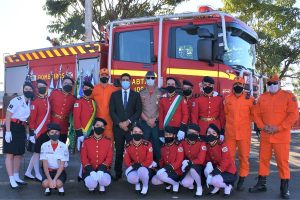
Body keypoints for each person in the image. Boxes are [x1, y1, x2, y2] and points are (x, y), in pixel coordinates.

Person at [249, 74, 298, 199]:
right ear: (267, 85)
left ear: (279, 83)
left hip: (281, 136)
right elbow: (256, 114)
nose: (272, 85)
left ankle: (284, 188)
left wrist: (279, 127)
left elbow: (293, 115)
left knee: (282, 162)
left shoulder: (288, 96)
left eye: (274, 83)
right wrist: (262, 126)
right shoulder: (262, 98)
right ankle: (261, 184)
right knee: (263, 160)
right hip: (266, 135)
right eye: (269, 84)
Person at [223, 76, 255, 191]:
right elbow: (226, 114)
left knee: (244, 158)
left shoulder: (250, 99)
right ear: (233, 86)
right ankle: (230, 179)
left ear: (243, 86)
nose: (238, 86)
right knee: (229, 157)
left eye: (240, 85)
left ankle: (242, 178)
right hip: (230, 134)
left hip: (244, 134)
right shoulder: (227, 99)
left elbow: (254, 115)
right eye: (236, 84)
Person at [109, 73, 142, 181]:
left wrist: (128, 122)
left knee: (132, 151)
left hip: (130, 128)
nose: (125, 81)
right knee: (119, 151)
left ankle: (133, 173)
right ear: (121, 81)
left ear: (130, 81)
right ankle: (118, 174)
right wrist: (120, 124)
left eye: (127, 79)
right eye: (123, 80)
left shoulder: (136, 95)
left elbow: (138, 111)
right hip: (118, 128)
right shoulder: (114, 95)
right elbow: (112, 111)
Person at [4, 82, 34, 188]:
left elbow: (26, 120)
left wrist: (27, 133)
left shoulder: (30, 102)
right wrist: (8, 132)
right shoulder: (16, 100)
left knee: (19, 154)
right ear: (23, 90)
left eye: (30, 89)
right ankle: (11, 178)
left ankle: (16, 176)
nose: (28, 91)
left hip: (21, 128)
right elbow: (8, 115)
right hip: (12, 127)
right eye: (26, 89)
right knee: (10, 154)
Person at [25, 79, 51, 182]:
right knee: (37, 153)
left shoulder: (47, 99)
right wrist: (31, 133)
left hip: (46, 131)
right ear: (37, 88)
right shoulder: (35, 101)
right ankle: (37, 174)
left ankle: (28, 172)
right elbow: (32, 119)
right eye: (40, 87)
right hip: (38, 132)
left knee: (37, 153)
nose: (42, 88)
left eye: (43, 86)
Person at [203, 123, 237, 197]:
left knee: (214, 180)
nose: (210, 135)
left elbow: (226, 162)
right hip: (217, 169)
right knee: (206, 170)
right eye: (208, 133)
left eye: (213, 133)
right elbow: (207, 159)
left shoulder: (223, 145)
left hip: (228, 171)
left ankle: (228, 186)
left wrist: (213, 173)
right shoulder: (207, 145)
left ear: (217, 135)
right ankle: (216, 188)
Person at [80, 118, 113, 193]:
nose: (100, 127)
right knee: (91, 184)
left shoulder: (108, 141)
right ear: (93, 127)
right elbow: (83, 157)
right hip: (90, 169)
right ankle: (92, 184)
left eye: (102, 126)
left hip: (103, 169)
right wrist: (91, 171)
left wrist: (102, 169)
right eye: (97, 125)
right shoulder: (86, 141)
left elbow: (109, 157)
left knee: (106, 181)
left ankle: (101, 184)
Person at [151, 126, 184, 193]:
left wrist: (166, 169)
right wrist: (157, 165)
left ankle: (175, 184)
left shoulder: (178, 146)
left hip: (176, 170)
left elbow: (179, 161)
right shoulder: (163, 146)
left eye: (170, 134)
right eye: (166, 135)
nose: (167, 136)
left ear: (174, 135)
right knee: (154, 181)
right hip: (166, 169)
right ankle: (168, 183)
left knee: (162, 175)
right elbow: (162, 160)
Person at [124, 123, 153, 195]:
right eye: (135, 132)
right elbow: (126, 161)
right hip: (134, 167)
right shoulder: (128, 145)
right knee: (131, 178)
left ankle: (145, 186)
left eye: (140, 132)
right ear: (131, 133)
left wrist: (140, 164)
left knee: (142, 170)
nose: (137, 134)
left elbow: (149, 160)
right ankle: (137, 184)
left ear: (142, 133)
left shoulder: (147, 144)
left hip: (145, 167)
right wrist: (133, 165)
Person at [40, 123, 69, 196]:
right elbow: (45, 165)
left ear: (59, 133)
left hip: (59, 171)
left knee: (58, 184)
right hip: (48, 171)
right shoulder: (44, 145)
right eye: (52, 132)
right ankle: (48, 187)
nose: (54, 134)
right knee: (45, 184)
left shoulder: (64, 146)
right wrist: (50, 180)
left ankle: (60, 187)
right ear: (48, 134)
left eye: (56, 132)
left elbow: (62, 166)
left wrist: (54, 180)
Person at [139, 71, 162, 162]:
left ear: (155, 79)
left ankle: (158, 163)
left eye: (152, 78)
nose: (150, 79)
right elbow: (139, 108)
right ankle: (143, 161)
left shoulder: (160, 92)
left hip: (156, 122)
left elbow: (162, 108)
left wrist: (154, 119)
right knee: (144, 142)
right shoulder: (141, 92)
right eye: (148, 78)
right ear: (145, 79)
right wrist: (147, 120)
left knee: (156, 143)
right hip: (144, 122)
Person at [180, 124, 207, 197]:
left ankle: (199, 187)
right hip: (187, 165)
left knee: (193, 170)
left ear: (198, 134)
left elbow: (201, 160)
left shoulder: (202, 143)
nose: (191, 134)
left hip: (198, 165)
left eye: (194, 133)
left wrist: (189, 162)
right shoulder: (183, 142)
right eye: (189, 132)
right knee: (185, 183)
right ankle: (191, 184)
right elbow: (180, 155)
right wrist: (183, 162)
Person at [91, 68, 118, 140]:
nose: (104, 76)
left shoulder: (114, 89)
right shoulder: (94, 89)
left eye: (106, 75)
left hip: (110, 121)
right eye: (102, 75)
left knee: (109, 142)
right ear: (99, 76)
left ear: (109, 77)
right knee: (97, 142)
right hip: (97, 121)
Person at [159, 77, 188, 142]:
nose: (170, 86)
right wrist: (161, 132)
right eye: (168, 84)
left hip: (178, 128)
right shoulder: (162, 99)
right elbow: (161, 116)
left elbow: (185, 115)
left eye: (172, 84)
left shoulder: (181, 98)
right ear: (166, 85)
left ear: (175, 86)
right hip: (167, 129)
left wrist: (182, 129)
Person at [49, 76, 76, 143]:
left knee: (61, 145)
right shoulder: (54, 93)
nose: (67, 85)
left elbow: (74, 113)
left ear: (72, 86)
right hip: (52, 123)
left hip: (64, 126)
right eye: (65, 83)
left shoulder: (73, 99)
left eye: (70, 84)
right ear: (62, 84)